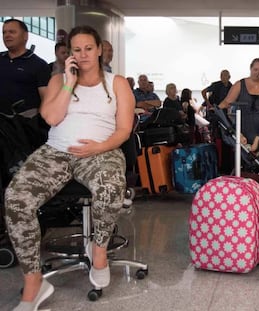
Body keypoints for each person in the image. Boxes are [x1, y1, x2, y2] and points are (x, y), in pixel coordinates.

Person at [5, 25, 135, 311]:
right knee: (16, 200)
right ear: (69, 54)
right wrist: (68, 81)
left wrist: (97, 148)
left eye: (89, 48)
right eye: (77, 49)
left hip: (101, 151)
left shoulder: (117, 83)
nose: (83, 54)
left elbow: (124, 129)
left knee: (111, 187)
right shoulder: (58, 81)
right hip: (56, 152)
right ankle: (34, 282)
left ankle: (98, 251)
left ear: (99, 49)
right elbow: (51, 118)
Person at [219, 58, 259, 152]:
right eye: (256, 70)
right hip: (246, 127)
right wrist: (216, 109)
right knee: (247, 154)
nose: (258, 73)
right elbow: (227, 102)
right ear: (251, 68)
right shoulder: (239, 85)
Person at [0, 18, 51, 115]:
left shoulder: (39, 65)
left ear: (25, 36)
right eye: (4, 32)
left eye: (12, 32)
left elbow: (47, 100)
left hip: (24, 125)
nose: (7, 35)